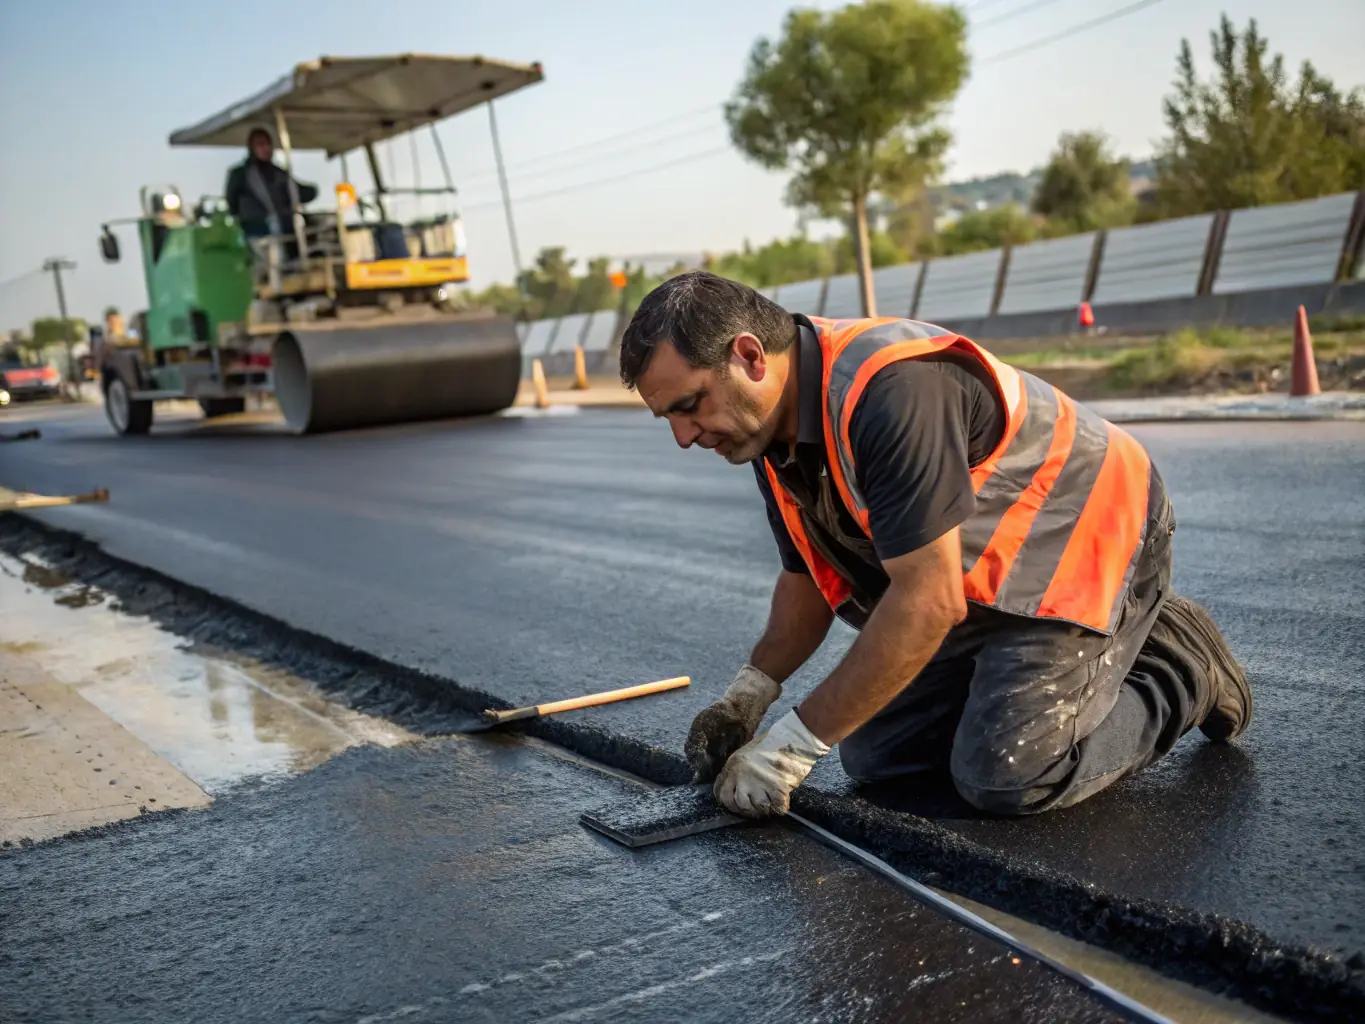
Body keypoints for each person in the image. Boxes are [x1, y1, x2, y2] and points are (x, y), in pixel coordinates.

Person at [618, 271, 1251, 820]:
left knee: (1006, 773)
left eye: (689, 405)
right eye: (668, 417)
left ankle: (1182, 663)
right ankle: (1012, 683)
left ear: (750, 355)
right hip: (983, 576)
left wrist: (792, 747)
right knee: (878, 758)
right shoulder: (763, 431)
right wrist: (749, 695)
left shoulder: (888, 392)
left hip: (1096, 539)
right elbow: (805, 580)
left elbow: (927, 601)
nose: (683, 436)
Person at [223, 127, 318, 240]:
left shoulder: (279, 174)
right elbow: (232, 203)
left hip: (284, 230)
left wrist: (312, 191)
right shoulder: (240, 174)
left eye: (268, 144)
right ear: (252, 148)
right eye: (260, 145)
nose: (265, 148)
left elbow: (298, 192)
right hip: (255, 232)